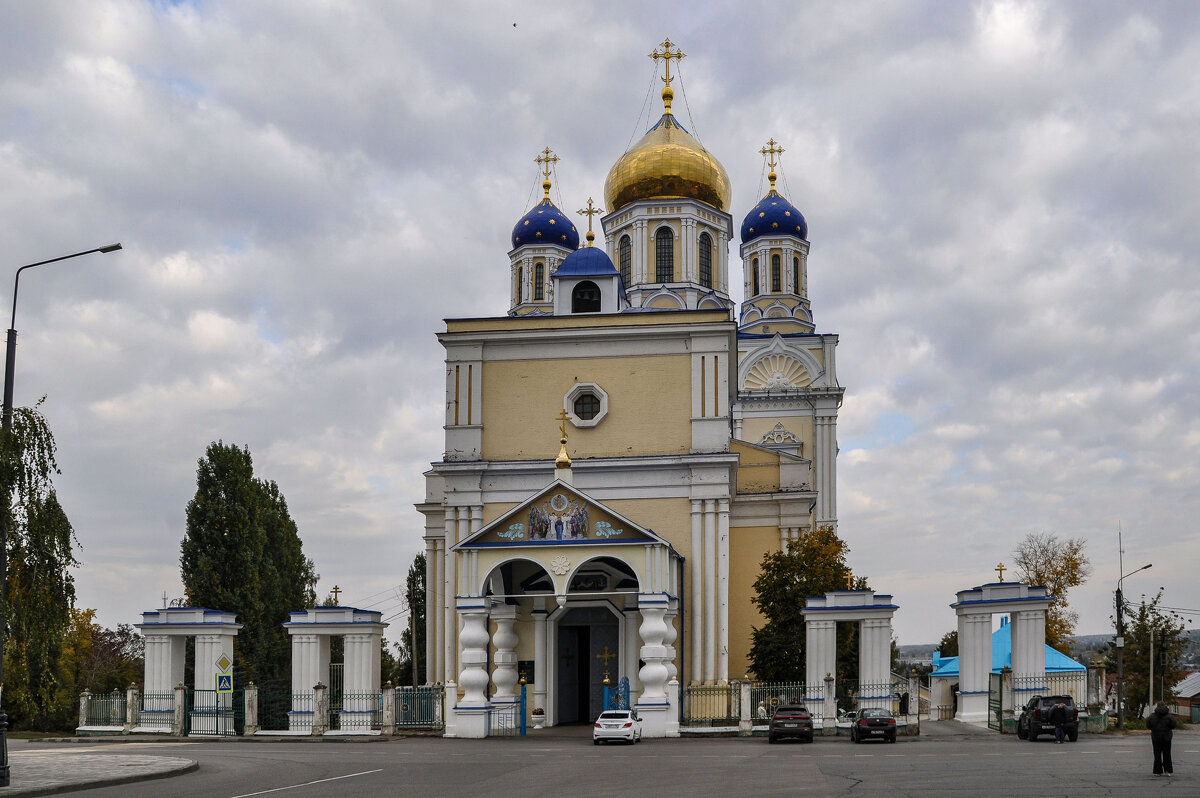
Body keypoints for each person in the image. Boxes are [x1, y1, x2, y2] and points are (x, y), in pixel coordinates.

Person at [1145, 701, 1176, 776]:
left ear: (1157, 706)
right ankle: (1168, 771)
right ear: (1165, 706)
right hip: (1167, 737)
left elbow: (1148, 726)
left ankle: (1158, 771)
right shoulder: (1169, 716)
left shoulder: (1152, 716)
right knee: (1167, 754)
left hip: (1156, 737)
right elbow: (1173, 725)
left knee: (1157, 754)